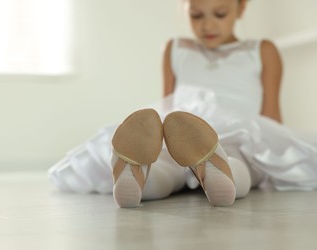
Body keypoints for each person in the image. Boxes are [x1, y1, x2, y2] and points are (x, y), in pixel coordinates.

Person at [49, 0, 317, 208]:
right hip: (182, 133)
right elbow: (168, 102)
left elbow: (271, 115)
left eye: (220, 14)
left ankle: (212, 168)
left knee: (240, 158)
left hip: (242, 131)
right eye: (196, 15)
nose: (207, 25)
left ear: (241, 6)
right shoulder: (175, 49)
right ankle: (141, 176)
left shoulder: (261, 50)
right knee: (168, 159)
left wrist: (272, 148)